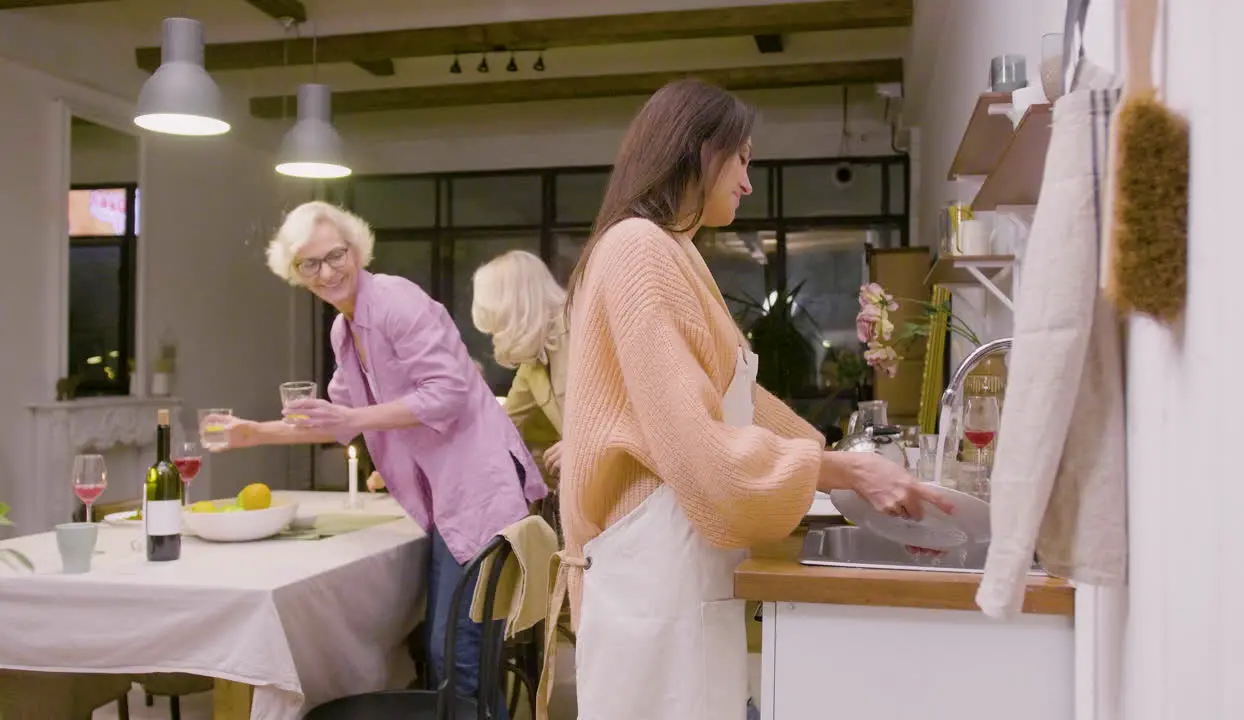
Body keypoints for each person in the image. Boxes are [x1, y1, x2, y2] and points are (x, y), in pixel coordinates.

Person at [538, 79, 955, 720]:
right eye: (744, 160)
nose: (749, 182)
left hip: (671, 557)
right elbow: (696, 439)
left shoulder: (669, 249)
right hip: (655, 564)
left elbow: (737, 400)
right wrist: (842, 469)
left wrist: (842, 465)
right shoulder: (639, 249)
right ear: (703, 151)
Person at [210, 201, 545, 715]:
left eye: (336, 255)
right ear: (294, 273)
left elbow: (448, 392)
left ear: (357, 249)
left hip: (481, 490)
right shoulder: (344, 332)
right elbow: (338, 415)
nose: (328, 271)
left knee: (457, 657)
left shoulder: (394, 301)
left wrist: (353, 423)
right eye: (310, 264)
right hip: (446, 502)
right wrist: (255, 433)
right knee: (445, 655)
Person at [470, 250, 568, 480]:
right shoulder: (534, 362)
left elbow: (627, 406)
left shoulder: (583, 333)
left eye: (497, 322)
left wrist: (584, 444)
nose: (495, 334)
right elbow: (500, 428)